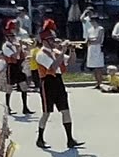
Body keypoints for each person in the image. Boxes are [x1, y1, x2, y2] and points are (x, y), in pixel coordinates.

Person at [35, 19, 85, 149]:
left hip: (58, 81)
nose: (54, 42)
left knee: (66, 111)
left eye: (54, 39)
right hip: (47, 82)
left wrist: (72, 50)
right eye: (51, 40)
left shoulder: (55, 52)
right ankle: (40, 138)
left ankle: (70, 139)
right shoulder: (41, 54)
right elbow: (53, 66)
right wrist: (63, 50)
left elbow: (71, 62)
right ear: (45, 41)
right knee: (46, 113)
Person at [2, 19, 35, 115]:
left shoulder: (15, 44)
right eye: (11, 36)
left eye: (13, 36)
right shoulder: (6, 46)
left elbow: (22, 55)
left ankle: (25, 107)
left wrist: (25, 48)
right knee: (9, 88)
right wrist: (19, 47)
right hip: (11, 67)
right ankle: (7, 108)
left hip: (19, 67)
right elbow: (15, 56)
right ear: (7, 37)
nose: (13, 37)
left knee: (24, 86)